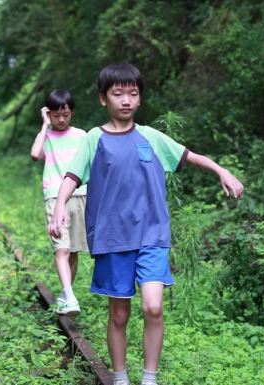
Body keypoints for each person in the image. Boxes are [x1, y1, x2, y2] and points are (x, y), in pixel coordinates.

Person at [48, 63, 244, 385]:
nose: (126, 100)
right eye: (118, 93)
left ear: (139, 99)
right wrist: (59, 208)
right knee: (120, 314)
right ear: (103, 99)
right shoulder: (94, 139)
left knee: (154, 307)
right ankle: (121, 377)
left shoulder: (150, 137)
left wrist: (222, 171)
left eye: (133, 94)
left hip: (151, 235)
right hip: (112, 239)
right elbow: (71, 177)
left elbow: (190, 157)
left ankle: (149, 379)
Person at [30, 89, 88, 316]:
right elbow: (35, 154)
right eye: (56, 115)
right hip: (55, 197)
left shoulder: (82, 136)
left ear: (71, 112)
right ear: (49, 114)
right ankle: (69, 294)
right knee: (61, 249)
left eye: (65, 115)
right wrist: (45, 126)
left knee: (73, 251)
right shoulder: (47, 137)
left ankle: (67, 295)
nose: (61, 119)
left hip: (81, 195)